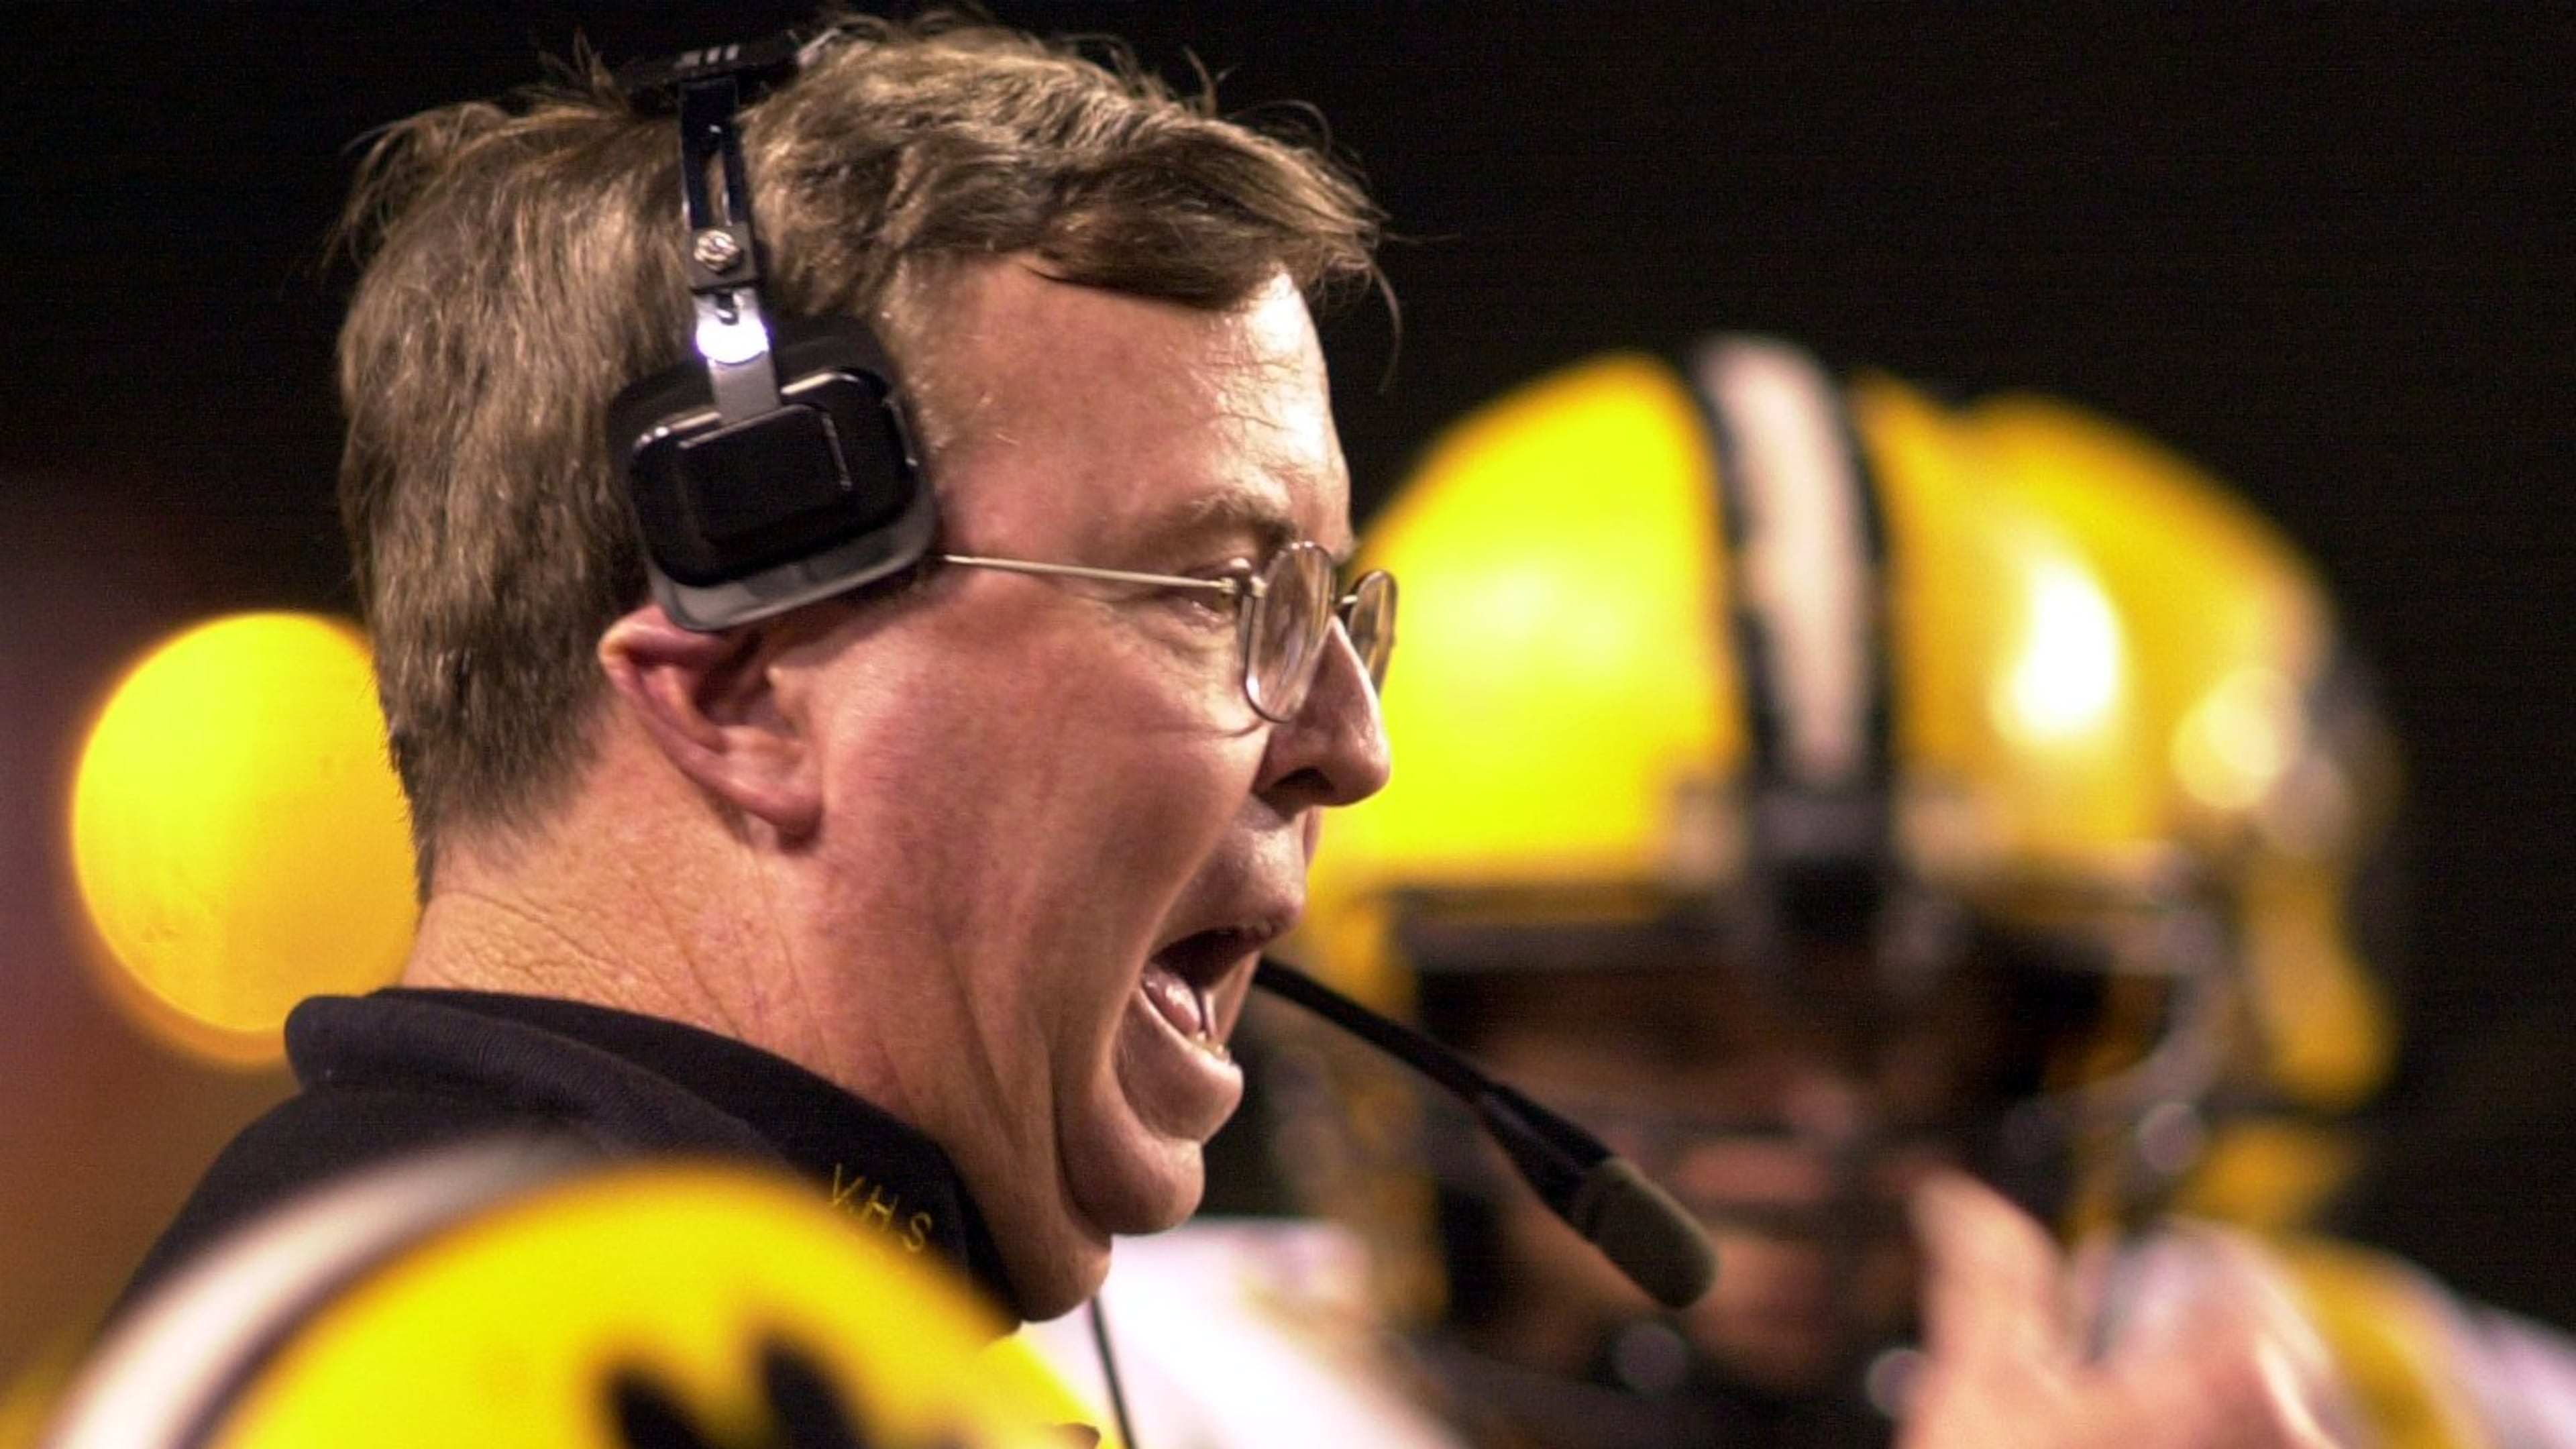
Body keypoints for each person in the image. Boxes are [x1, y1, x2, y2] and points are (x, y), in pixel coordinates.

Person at [99, 13, 2362, 1445]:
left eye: (1334, 608)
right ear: (751, 685)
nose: (1353, 744)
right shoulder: (555, 1364)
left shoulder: (724, 1300)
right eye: (1221, 597)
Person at [1266, 333, 2576, 1448]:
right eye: (1669, 1036)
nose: (1816, 1132)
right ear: (1416, 1023)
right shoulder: (1158, 1384)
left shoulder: (2349, 1385)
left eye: (1895, 1030)